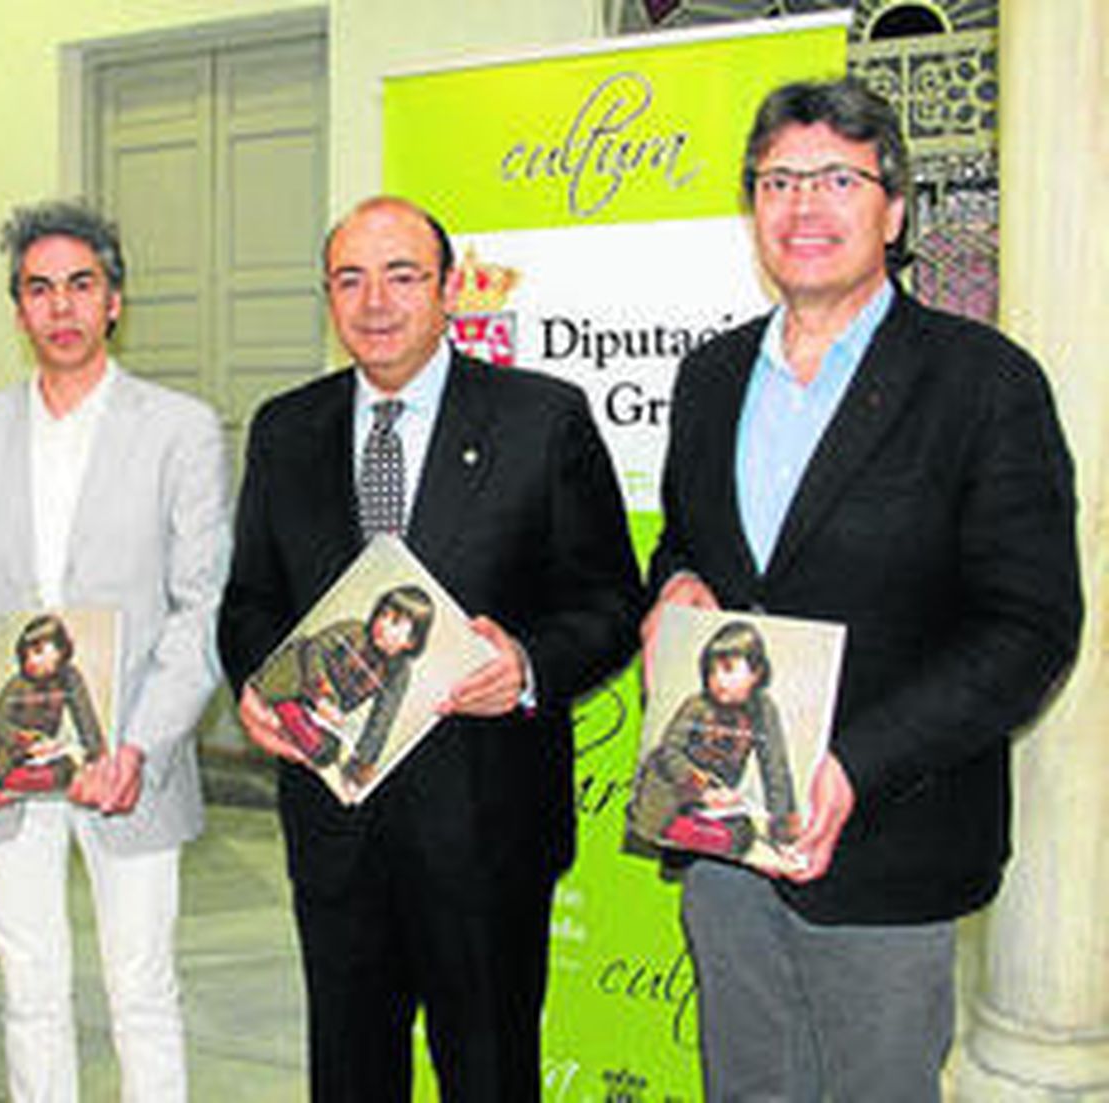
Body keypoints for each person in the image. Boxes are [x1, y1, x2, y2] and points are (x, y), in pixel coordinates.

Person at [642, 78, 1081, 1101]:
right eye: (778, 180)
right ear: (750, 206)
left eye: (838, 178)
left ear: (892, 208)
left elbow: (1028, 626)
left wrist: (854, 764)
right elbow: (684, 544)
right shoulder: (708, 378)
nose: (804, 206)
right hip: (722, 830)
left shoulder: (981, 382)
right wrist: (679, 583)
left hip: (886, 840)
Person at [219, 196, 643, 1102]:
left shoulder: (542, 420)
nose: (375, 301)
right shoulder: (286, 430)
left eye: (403, 275)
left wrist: (527, 665)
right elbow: (251, 599)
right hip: (336, 826)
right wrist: (257, 682)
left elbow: (608, 602)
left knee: (488, 1072)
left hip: (484, 827)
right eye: (350, 278)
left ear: (450, 287)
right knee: (349, 1072)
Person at [0, 200, 229, 1103]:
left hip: (129, 757)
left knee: (142, 990)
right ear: (18, 309)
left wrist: (140, 747)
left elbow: (197, 609)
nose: (61, 308)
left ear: (115, 301)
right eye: (38, 289)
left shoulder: (180, 428)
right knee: (29, 990)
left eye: (80, 285)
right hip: (3, 758)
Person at [630, 620, 798, 869]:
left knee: (742, 836)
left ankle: (700, 834)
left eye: (728, 669)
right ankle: (675, 830)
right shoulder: (696, 705)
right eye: (711, 671)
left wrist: (781, 820)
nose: (718, 679)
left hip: (715, 802)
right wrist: (701, 788)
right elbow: (669, 752)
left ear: (757, 672)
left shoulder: (762, 710)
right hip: (671, 786)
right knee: (662, 819)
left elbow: (775, 765)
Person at [252, 583, 435, 788]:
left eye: (395, 621)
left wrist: (360, 764)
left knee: (326, 753)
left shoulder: (399, 671)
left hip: (321, 711)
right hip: (299, 674)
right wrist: (323, 697)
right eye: (383, 614)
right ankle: (281, 707)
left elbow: (382, 719)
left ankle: (293, 721)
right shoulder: (354, 630)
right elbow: (313, 649)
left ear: (411, 641)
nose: (382, 623)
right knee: (288, 676)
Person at [0, 613, 106, 794]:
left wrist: (96, 756)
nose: (30, 661)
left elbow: (85, 718)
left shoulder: (70, 678)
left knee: (67, 770)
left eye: (38, 652)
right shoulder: (18, 683)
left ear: (61, 650)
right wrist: (25, 740)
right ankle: (4, 779)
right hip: (4, 750)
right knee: (9, 774)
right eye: (26, 655)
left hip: (41, 753)